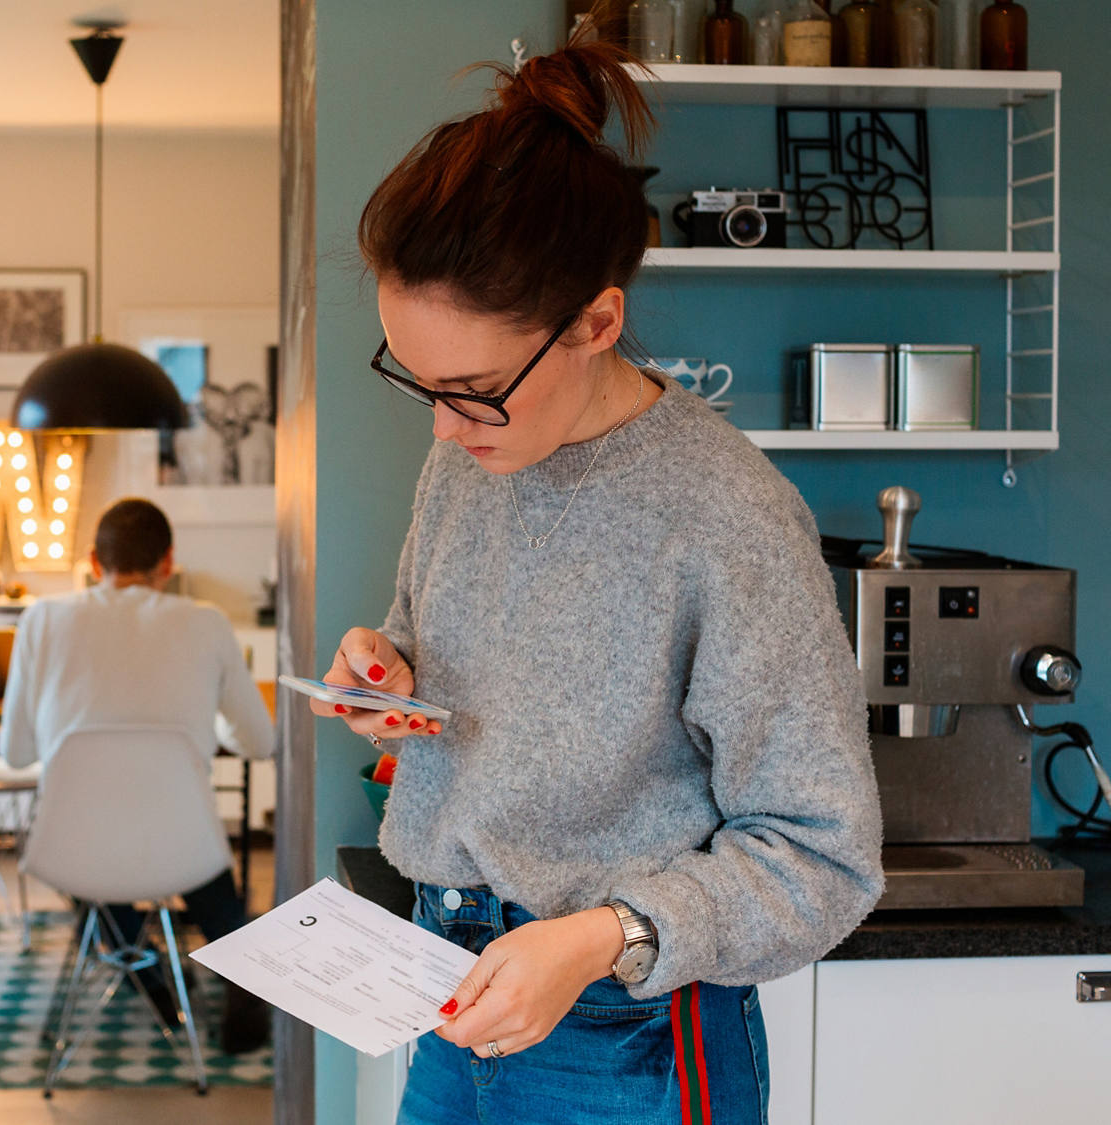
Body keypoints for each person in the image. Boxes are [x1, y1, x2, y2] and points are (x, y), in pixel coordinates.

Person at [307, 30, 884, 1125]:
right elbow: (449, 692)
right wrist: (387, 689)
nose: (442, 423)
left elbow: (821, 861)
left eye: (472, 387)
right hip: (445, 985)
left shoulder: (727, 516)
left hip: (627, 1038)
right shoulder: (467, 460)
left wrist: (599, 937)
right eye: (417, 381)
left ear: (596, 320)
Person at [0, 497, 274, 1054]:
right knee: (181, 834)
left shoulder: (42, 621)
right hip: (185, 850)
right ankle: (243, 979)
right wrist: (198, 729)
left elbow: (15, 752)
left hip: (73, 852)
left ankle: (145, 971)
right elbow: (261, 743)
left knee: (97, 841)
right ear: (167, 562)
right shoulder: (207, 623)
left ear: (94, 562)